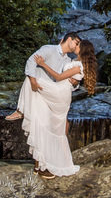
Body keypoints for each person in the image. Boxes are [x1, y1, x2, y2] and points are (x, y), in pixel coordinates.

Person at [13, 36, 99, 179]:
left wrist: (43, 64)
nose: (76, 46)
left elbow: (59, 77)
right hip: (59, 91)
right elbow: (71, 77)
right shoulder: (74, 62)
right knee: (46, 123)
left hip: (60, 92)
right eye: (76, 43)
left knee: (34, 79)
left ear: (82, 49)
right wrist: (74, 82)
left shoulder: (78, 65)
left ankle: (22, 110)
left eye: (78, 45)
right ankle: (41, 165)